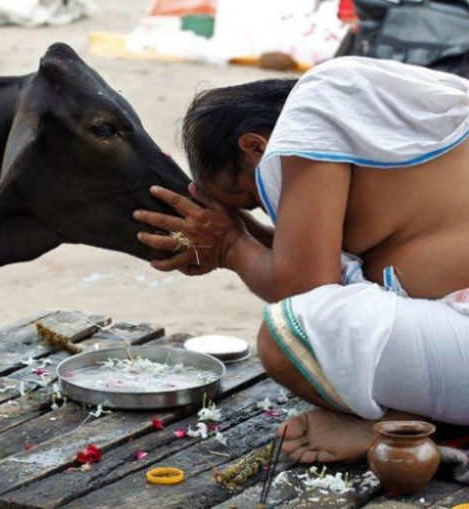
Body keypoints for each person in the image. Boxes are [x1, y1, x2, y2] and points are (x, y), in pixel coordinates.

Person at [133, 56, 469, 463]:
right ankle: (416, 425)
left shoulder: (317, 101)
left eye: (251, 201)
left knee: (285, 335)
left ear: (256, 147)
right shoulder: (371, 150)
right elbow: (318, 271)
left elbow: (306, 292)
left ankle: (398, 427)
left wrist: (230, 245)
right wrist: (240, 238)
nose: (270, 211)